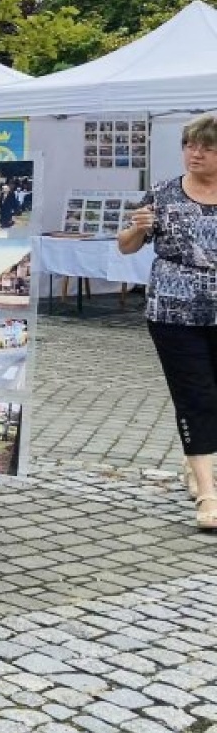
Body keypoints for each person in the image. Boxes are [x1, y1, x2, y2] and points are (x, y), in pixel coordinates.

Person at [118, 113, 217, 531]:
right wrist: (138, 229)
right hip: (174, 312)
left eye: (207, 147)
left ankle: (193, 465)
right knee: (197, 398)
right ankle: (209, 494)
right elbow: (125, 247)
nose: (196, 153)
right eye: (190, 145)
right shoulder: (161, 194)